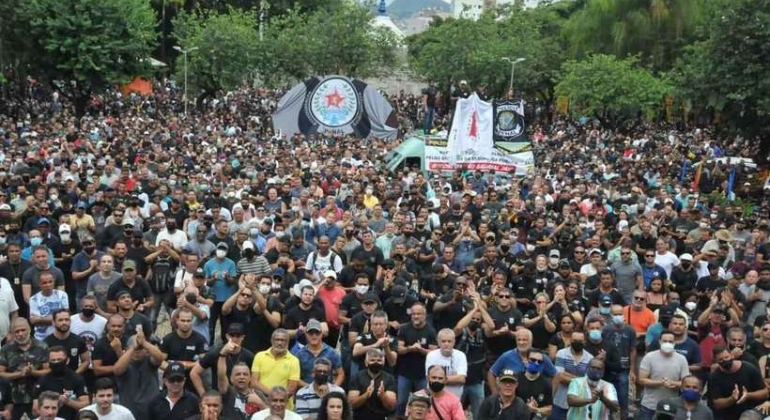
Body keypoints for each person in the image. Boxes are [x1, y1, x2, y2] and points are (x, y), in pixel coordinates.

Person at [0, 317, 50, 419]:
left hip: (38, 397)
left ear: (29, 330)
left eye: (23, 330)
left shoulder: (42, 346)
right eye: (17, 331)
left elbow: (49, 370)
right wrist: (19, 374)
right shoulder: (5, 350)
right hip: (13, 400)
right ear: (12, 333)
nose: (20, 334)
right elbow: (1, 373)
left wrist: (34, 372)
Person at [191, 323, 255, 398]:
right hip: (219, 396)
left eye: (238, 336)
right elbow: (194, 373)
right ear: (227, 336)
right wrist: (203, 396)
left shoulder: (249, 355)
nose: (235, 339)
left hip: (241, 396)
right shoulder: (215, 353)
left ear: (243, 337)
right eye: (232, 335)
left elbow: (254, 379)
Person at [638, 331, 691, 420]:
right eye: (665, 341)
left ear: (675, 342)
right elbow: (642, 380)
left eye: (670, 342)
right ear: (659, 342)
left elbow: (686, 382)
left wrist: (672, 383)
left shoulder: (681, 359)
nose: (667, 344)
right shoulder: (649, 357)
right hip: (650, 405)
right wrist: (661, 383)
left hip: (672, 407)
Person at [395, 302, 437, 415]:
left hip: (423, 375)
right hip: (404, 373)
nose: (416, 316)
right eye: (413, 314)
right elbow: (398, 349)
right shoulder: (404, 329)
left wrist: (421, 350)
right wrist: (410, 348)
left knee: (423, 403)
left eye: (419, 314)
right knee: (401, 402)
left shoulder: (431, 331)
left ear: (425, 315)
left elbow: (434, 353)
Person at [113, 331, 165, 420]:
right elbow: (117, 370)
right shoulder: (124, 363)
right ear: (126, 349)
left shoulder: (149, 361)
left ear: (146, 350)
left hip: (152, 411)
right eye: (135, 350)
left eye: (140, 349)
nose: (137, 352)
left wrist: (144, 343)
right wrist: (133, 347)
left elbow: (160, 358)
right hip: (130, 412)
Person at [708, 345, 768, 420]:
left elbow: (765, 393)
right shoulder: (715, 377)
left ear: (732, 355)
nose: (725, 361)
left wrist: (748, 395)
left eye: (726, 357)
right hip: (728, 413)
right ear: (716, 361)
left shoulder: (749, 368)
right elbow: (717, 403)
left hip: (752, 409)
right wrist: (732, 399)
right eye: (721, 359)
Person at [33, 346, 90, 420]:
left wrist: (68, 401)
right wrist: (51, 407)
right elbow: (35, 409)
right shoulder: (42, 380)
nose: (56, 362)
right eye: (53, 360)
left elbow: (85, 404)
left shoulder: (76, 379)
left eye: (59, 359)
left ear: (67, 360)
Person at [250, 329, 300, 409]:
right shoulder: (259, 356)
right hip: (260, 406)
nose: (279, 343)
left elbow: (291, 389)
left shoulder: (294, 361)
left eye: (283, 340)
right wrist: (273, 396)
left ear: (287, 342)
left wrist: (275, 400)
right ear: (271, 341)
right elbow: (254, 383)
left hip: (284, 408)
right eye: (277, 340)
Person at [347, 349, 397, 420]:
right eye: (372, 360)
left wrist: (383, 396)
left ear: (383, 363)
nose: (376, 363)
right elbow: (351, 404)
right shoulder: (357, 377)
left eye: (379, 360)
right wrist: (366, 395)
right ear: (366, 362)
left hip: (382, 417)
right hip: (360, 416)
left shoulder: (389, 378)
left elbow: (392, 407)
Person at [423, 328, 467, 399]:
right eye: (443, 341)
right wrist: (453, 379)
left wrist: (438, 379)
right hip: (434, 397)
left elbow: (461, 379)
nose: (446, 344)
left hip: (455, 398)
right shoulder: (431, 355)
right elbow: (429, 378)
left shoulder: (461, 355)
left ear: (454, 342)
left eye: (449, 341)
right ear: (438, 342)